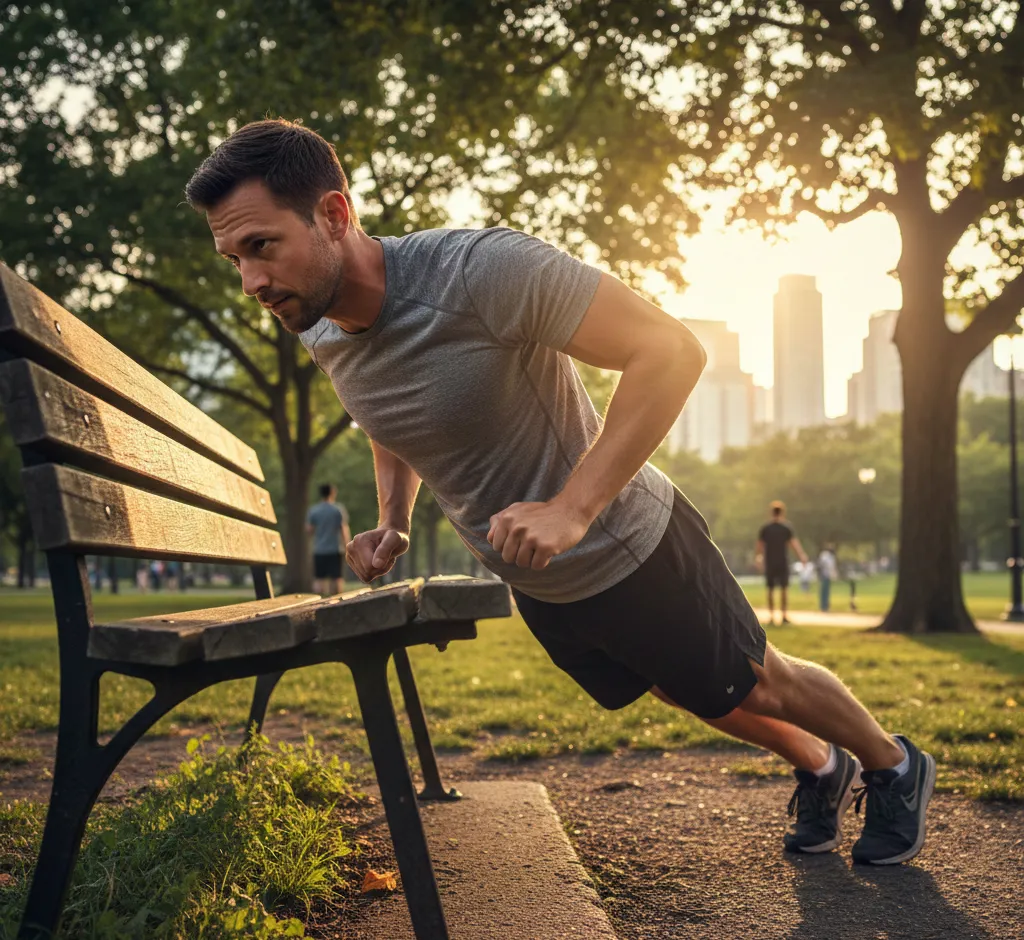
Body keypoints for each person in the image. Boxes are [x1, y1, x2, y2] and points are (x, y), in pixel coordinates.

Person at [185, 119, 935, 866]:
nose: (252, 282)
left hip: (628, 543)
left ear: (334, 215)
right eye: (233, 260)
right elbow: (388, 407)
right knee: (685, 690)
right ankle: (820, 765)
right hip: (540, 579)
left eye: (262, 247)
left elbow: (671, 350)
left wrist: (573, 508)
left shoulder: (479, 272)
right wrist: (392, 517)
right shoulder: (311, 318)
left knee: (762, 680)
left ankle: (892, 764)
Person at [755, 501, 808, 627]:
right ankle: (784, 616)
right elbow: (794, 544)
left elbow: (760, 546)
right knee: (784, 588)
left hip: (770, 561)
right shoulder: (786, 528)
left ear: (771, 513)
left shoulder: (766, 528)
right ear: (782, 513)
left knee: (770, 589)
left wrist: (758, 558)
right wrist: (802, 556)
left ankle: (772, 616)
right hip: (782, 561)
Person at [306, 483, 351, 596]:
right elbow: (343, 529)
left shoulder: (314, 511)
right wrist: (348, 546)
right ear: (332, 493)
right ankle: (336, 603)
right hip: (335, 549)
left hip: (319, 550)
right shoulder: (337, 510)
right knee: (336, 578)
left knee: (319, 578)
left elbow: (309, 530)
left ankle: (318, 603)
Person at [817, 543, 839, 613]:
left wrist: (834, 575)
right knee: (823, 591)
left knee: (827, 592)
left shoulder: (832, 557)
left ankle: (826, 607)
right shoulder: (824, 555)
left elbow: (833, 567)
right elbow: (821, 565)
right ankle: (823, 607)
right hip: (824, 575)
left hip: (828, 576)